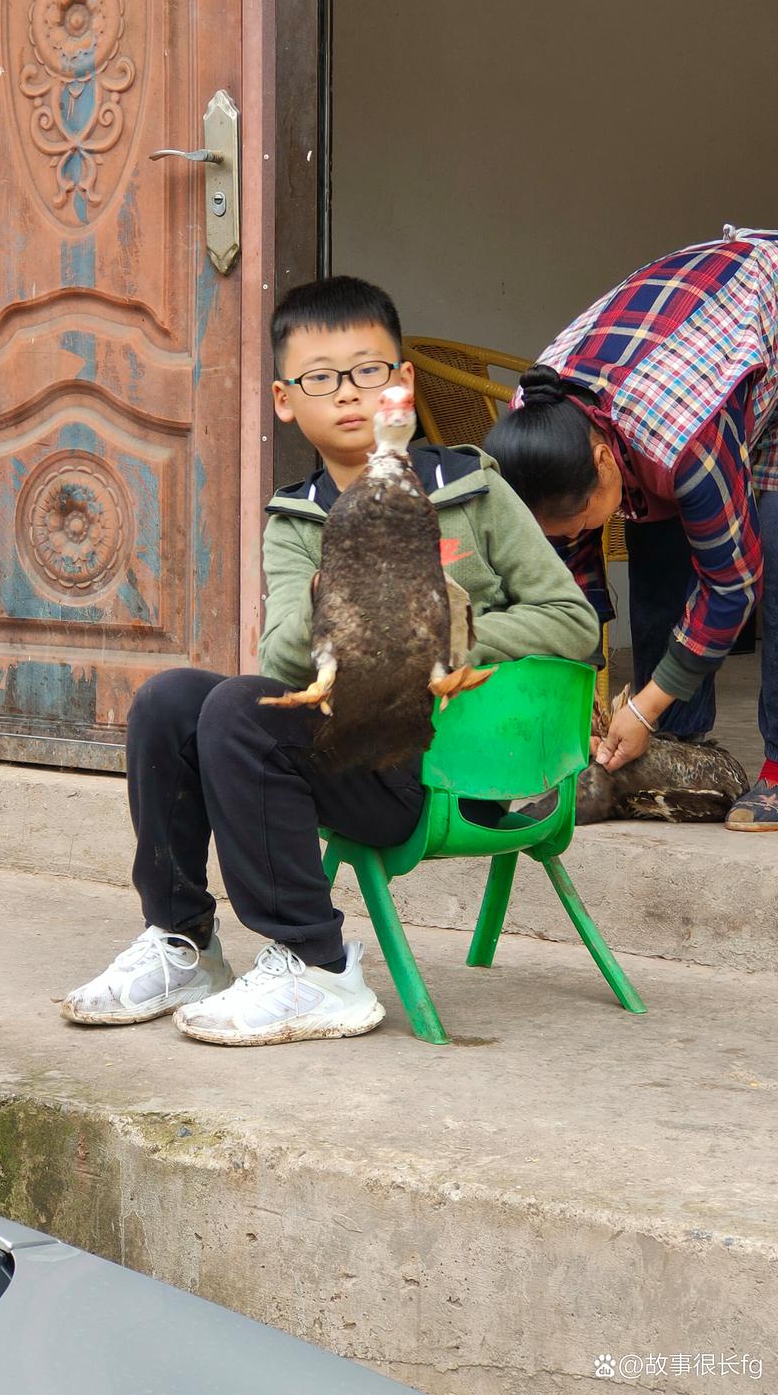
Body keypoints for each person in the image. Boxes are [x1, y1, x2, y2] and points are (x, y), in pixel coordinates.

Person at [61, 276, 598, 1048]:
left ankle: (319, 966)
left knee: (238, 712)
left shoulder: (473, 488)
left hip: (457, 767)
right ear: (286, 400)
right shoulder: (297, 518)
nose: (348, 394)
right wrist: (330, 598)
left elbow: (570, 621)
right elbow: (278, 660)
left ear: (403, 384)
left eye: (368, 370)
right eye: (321, 378)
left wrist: (437, 634)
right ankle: (181, 942)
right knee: (174, 701)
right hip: (354, 758)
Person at [484, 229, 778, 829]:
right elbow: (567, 580)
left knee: (767, 555)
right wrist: (582, 698)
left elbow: (731, 585)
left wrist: (641, 708)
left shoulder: (683, 437)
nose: (581, 533)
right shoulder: (535, 427)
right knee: (657, 561)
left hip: (755, 325)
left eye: (582, 519)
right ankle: (682, 744)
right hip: (662, 369)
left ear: (601, 462)